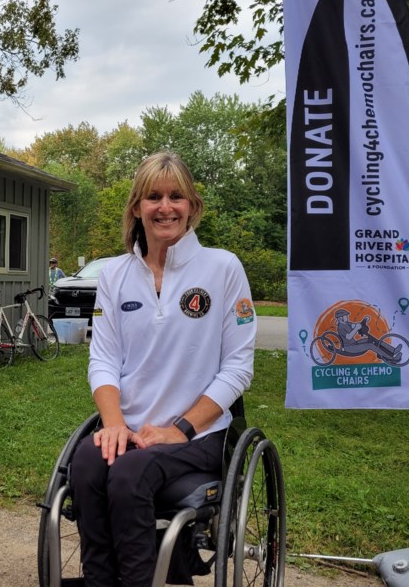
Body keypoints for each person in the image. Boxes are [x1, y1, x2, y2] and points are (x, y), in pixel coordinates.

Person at [69, 151, 257, 586]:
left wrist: (181, 429)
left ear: (192, 205)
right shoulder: (115, 275)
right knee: (86, 464)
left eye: (176, 196)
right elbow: (103, 360)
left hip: (200, 435)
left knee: (129, 476)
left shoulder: (223, 268)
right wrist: (114, 424)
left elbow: (238, 367)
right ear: (137, 206)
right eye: (153, 196)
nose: (165, 207)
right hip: (130, 426)